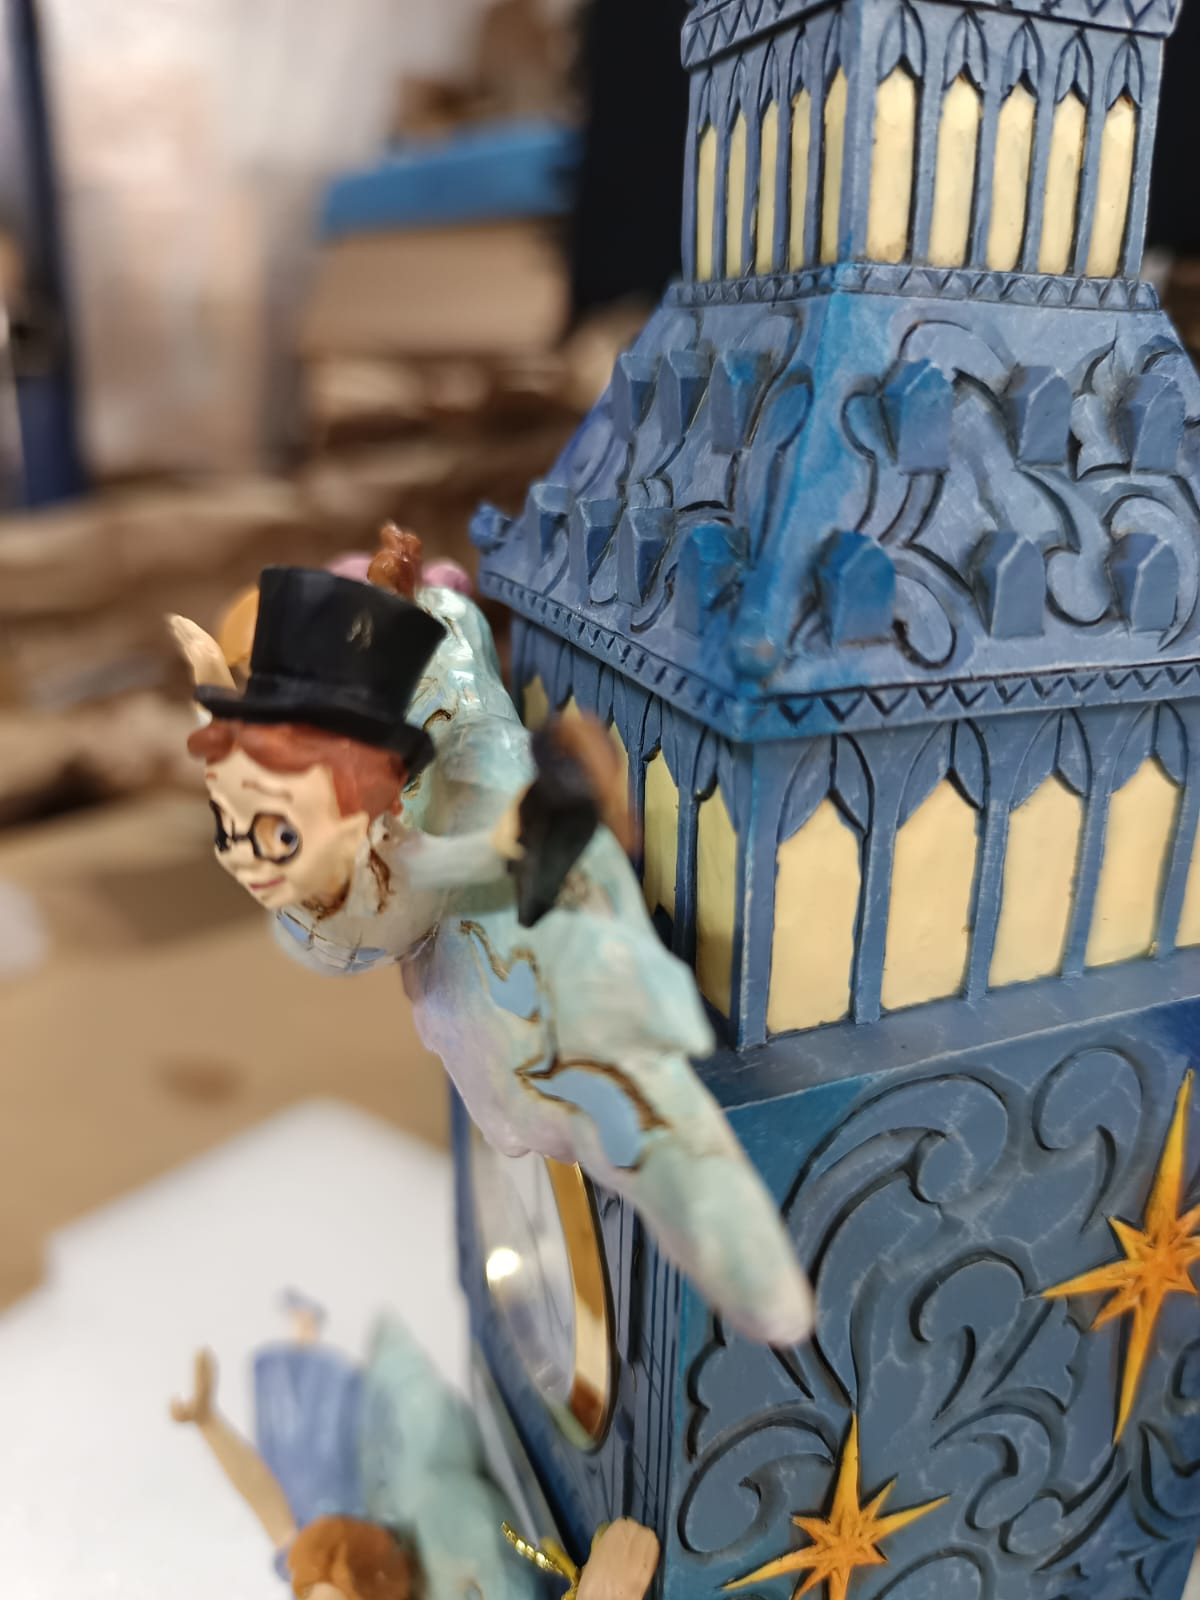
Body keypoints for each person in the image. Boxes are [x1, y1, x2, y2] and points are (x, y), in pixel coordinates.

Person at [168, 529, 813, 1346]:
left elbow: (424, 871)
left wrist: (509, 837)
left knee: (631, 1118)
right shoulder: (322, 806)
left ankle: (745, 1272)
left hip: (502, 933)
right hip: (447, 912)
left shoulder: (402, 785)